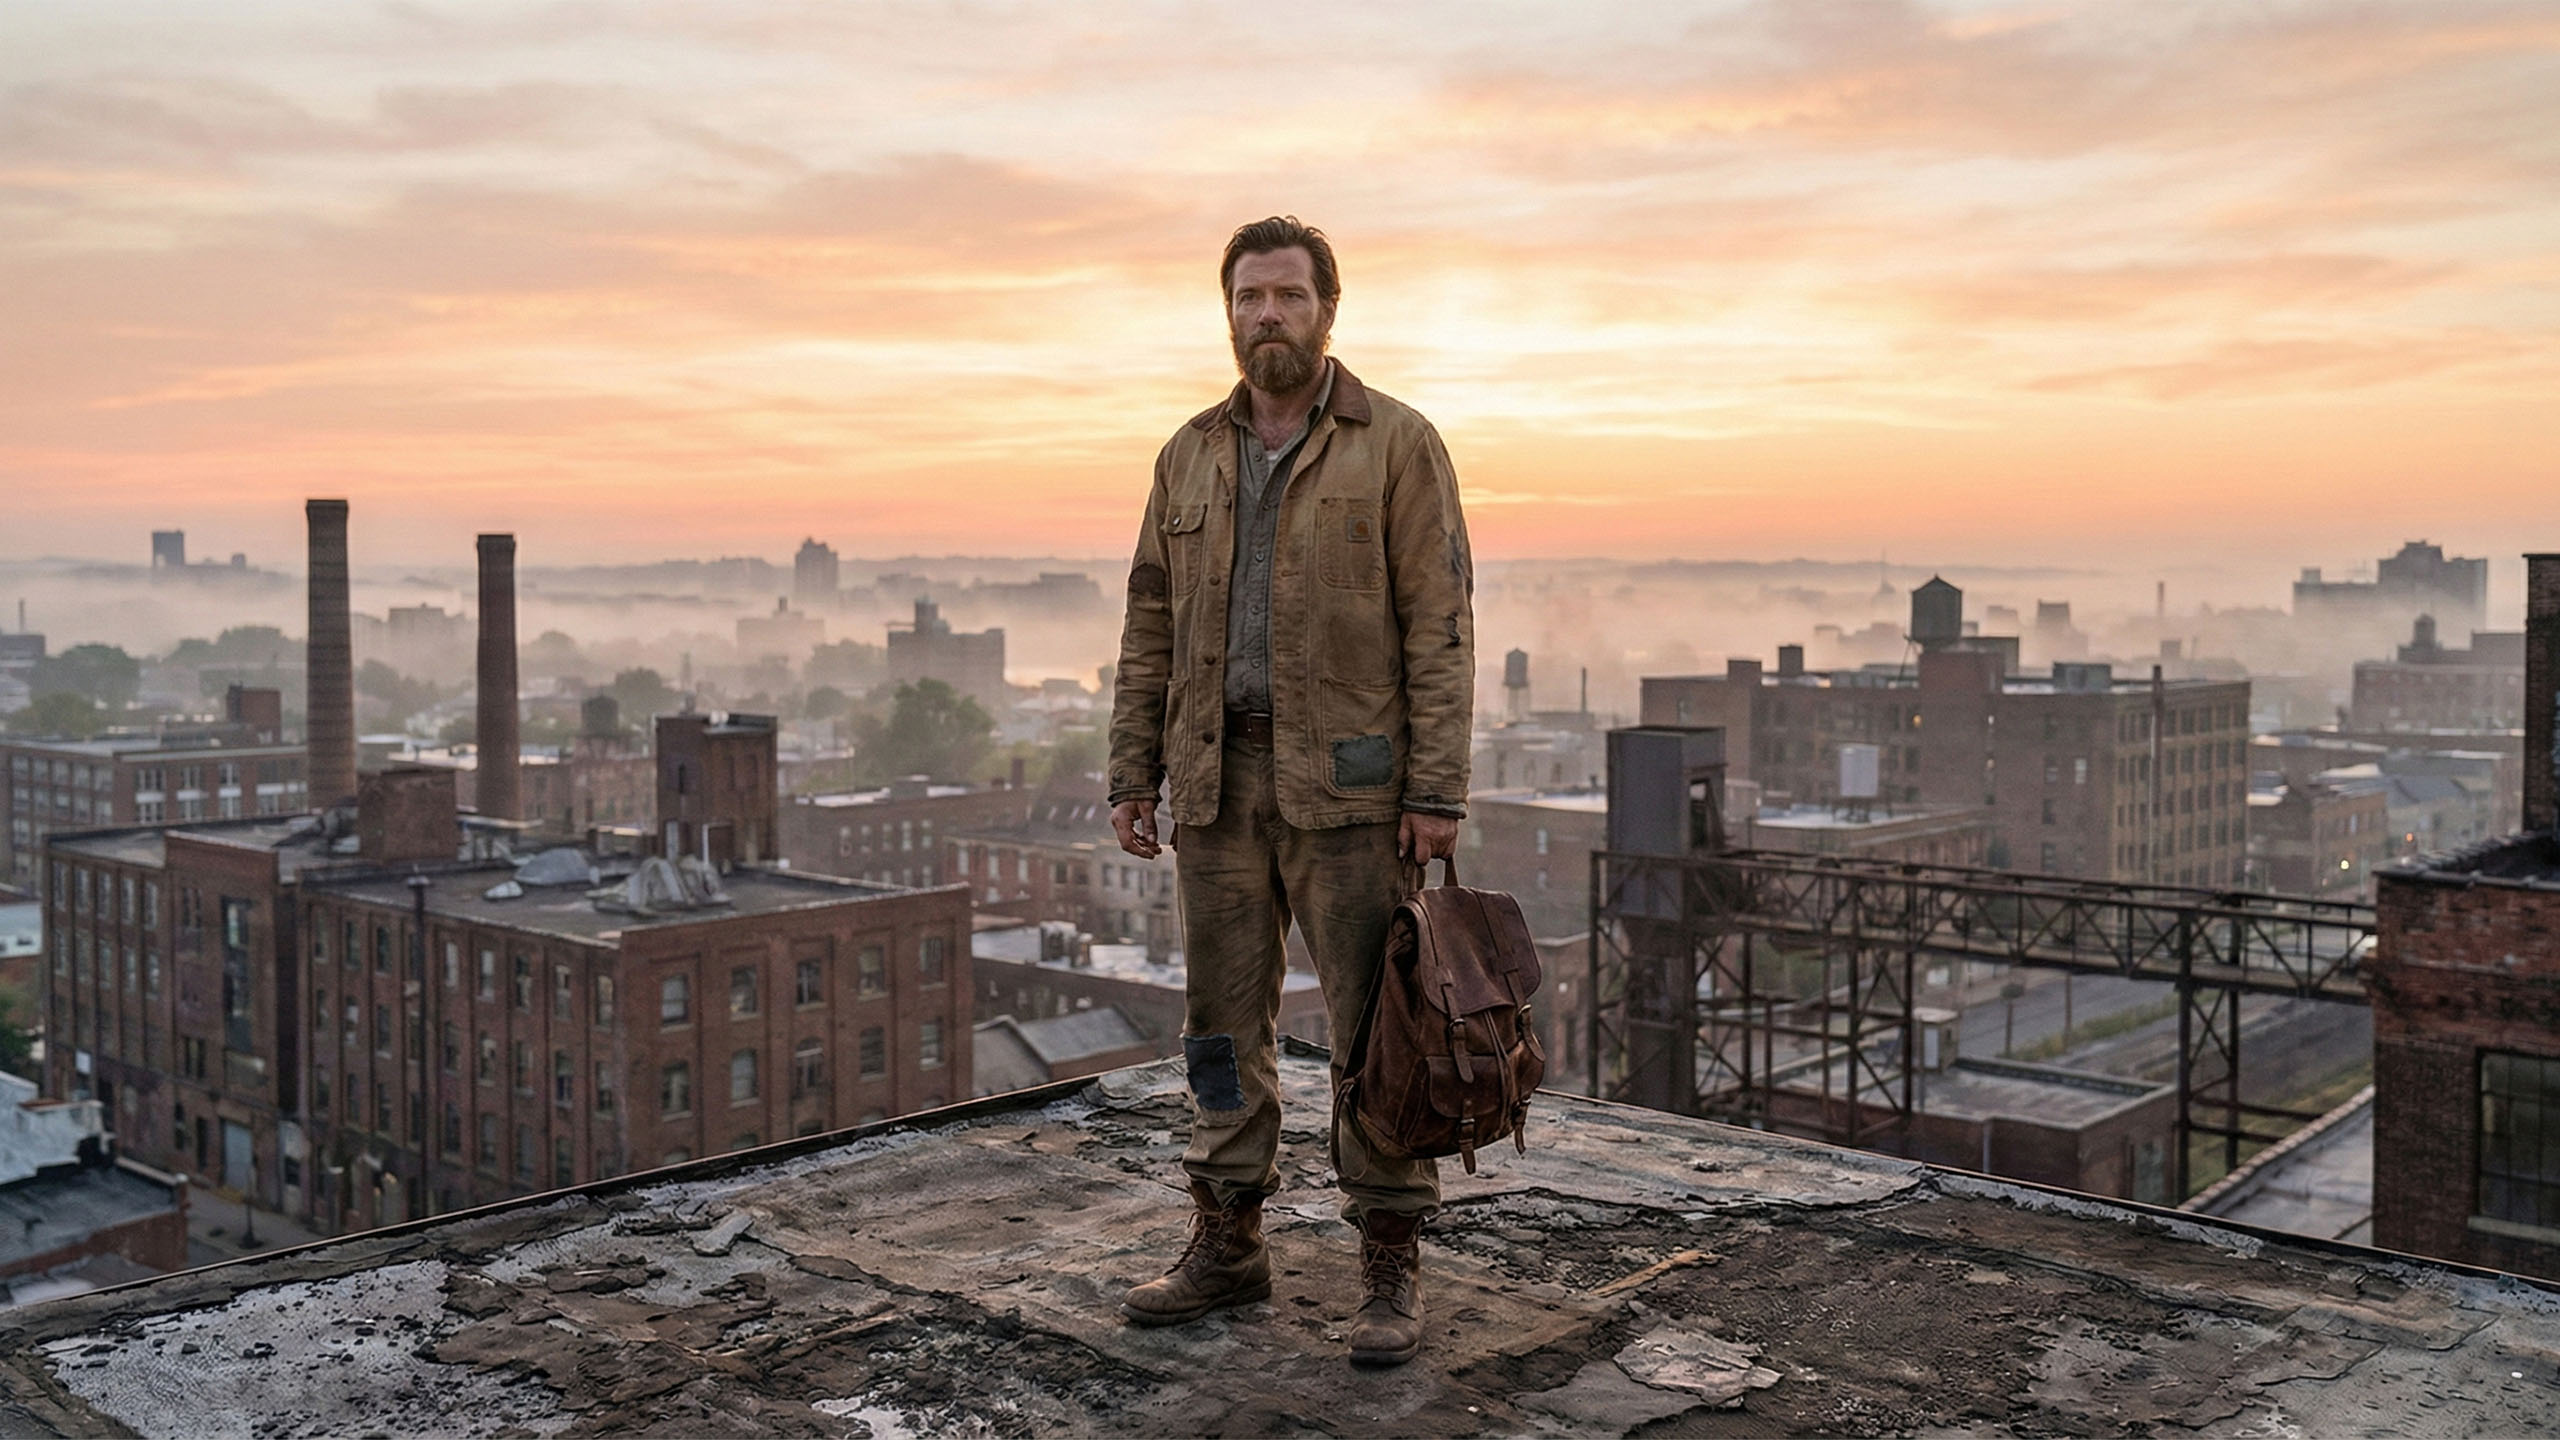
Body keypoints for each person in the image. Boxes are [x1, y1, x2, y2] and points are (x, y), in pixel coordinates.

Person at [1106, 216, 1474, 1367]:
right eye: (1250, 298)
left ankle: (1387, 1259)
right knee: (1218, 1028)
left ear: (1327, 310)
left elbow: (1442, 627)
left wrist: (1437, 791)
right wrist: (1132, 771)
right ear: (1228, 314)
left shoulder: (1398, 445)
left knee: (1375, 1031)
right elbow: (1148, 626)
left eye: (1289, 297)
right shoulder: (1185, 455)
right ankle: (1227, 1242)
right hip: (1215, 787)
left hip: (1353, 795)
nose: (1268, 315)